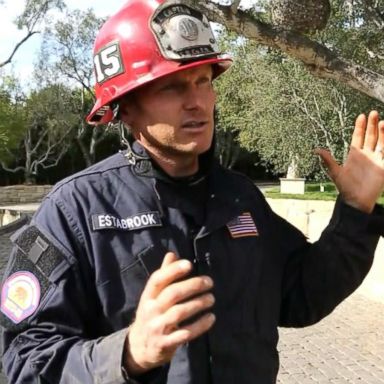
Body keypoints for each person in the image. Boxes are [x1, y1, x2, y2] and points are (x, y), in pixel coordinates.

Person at [1, 0, 384, 383]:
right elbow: (23, 359)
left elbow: (301, 296)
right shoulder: (73, 211)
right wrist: (128, 352)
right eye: (172, 86)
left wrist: (355, 210)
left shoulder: (241, 198)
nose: (197, 102)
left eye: (203, 80)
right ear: (125, 107)